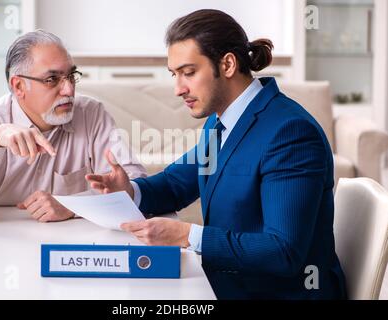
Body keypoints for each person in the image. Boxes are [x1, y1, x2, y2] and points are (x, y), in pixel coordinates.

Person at [86, 9, 347, 299]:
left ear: (228, 64)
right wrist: (129, 189)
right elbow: (176, 184)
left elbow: (283, 252)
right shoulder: (221, 120)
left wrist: (187, 235)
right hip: (231, 282)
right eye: (175, 75)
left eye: (189, 72)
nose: (178, 89)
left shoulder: (291, 134)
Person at [0, 30, 146, 224]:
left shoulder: (91, 114)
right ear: (19, 86)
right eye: (52, 79)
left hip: (72, 243)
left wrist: (71, 206)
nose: (68, 89)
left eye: (71, 75)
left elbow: (135, 185)